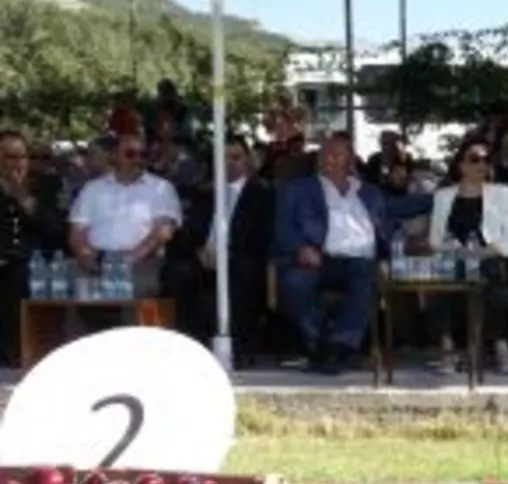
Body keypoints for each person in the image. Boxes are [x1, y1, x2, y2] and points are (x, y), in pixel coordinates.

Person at [274, 132, 388, 375]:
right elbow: (281, 226)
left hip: (360, 260)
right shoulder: (297, 189)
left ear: (350, 160)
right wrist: (300, 247)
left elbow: (399, 209)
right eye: (324, 153)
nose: (328, 158)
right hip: (319, 257)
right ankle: (319, 345)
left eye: (336, 154)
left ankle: (339, 346)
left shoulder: (369, 192)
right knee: (296, 280)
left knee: (365, 275)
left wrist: (443, 197)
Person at [427, 138, 508, 375]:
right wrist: (451, 248)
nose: (481, 164)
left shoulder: (501, 193)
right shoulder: (443, 196)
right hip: (454, 257)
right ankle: (448, 346)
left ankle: (500, 345)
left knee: (484, 271)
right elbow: (435, 239)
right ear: (461, 165)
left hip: (491, 255)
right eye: (474, 159)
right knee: (446, 273)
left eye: (486, 160)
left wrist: (484, 251)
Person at [175, 136, 274, 358]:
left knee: (244, 271)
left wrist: (226, 255)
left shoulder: (263, 194)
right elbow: (188, 233)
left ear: (248, 160)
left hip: (239, 258)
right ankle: (186, 348)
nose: (229, 163)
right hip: (204, 258)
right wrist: (198, 250)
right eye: (223, 158)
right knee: (178, 272)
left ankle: (237, 349)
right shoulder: (206, 193)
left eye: (236, 157)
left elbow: (262, 237)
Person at [69, 132, 182, 297]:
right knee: (64, 288)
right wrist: (85, 256)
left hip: (142, 262)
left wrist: (128, 260)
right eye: (130, 154)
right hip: (95, 259)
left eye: (143, 155)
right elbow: (77, 231)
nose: (137, 160)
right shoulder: (92, 189)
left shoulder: (162, 188)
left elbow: (162, 233)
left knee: (137, 290)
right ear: (114, 156)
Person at [0, 130, 65, 364]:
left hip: (29, 265)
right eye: (8, 157)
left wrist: (22, 196)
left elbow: (56, 233)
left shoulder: (46, 186)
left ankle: (18, 358)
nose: (15, 164)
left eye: (21, 157)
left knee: (20, 278)